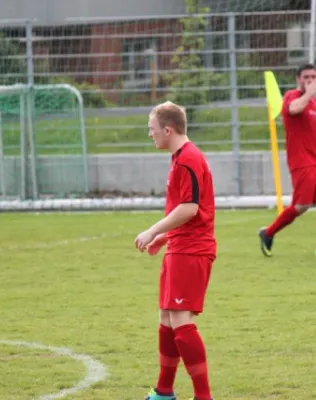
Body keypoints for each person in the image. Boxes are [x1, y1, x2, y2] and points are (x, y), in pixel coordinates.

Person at [134, 101, 216, 400]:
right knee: (167, 319)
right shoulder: (180, 157)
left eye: (152, 130)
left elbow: (191, 208)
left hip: (192, 251)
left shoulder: (188, 159)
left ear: (168, 130)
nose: (150, 135)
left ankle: (203, 397)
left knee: (181, 321)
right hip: (180, 246)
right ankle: (164, 391)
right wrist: (166, 237)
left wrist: (154, 230)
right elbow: (192, 208)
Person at [258, 63, 316, 257]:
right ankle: (267, 233)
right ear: (298, 80)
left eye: (313, 77)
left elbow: (309, 121)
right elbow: (293, 110)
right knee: (301, 206)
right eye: (306, 77)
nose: (310, 80)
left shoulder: (312, 102)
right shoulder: (293, 97)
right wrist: (308, 93)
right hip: (302, 161)